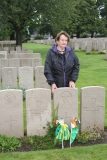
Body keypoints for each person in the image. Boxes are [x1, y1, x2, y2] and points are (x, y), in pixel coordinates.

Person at [44, 31, 80, 95]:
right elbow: (47, 69)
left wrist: (72, 80)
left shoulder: (71, 52)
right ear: (57, 41)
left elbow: (76, 66)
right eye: (62, 40)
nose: (64, 42)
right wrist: (52, 83)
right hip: (57, 86)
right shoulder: (51, 53)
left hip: (69, 85)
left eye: (66, 40)